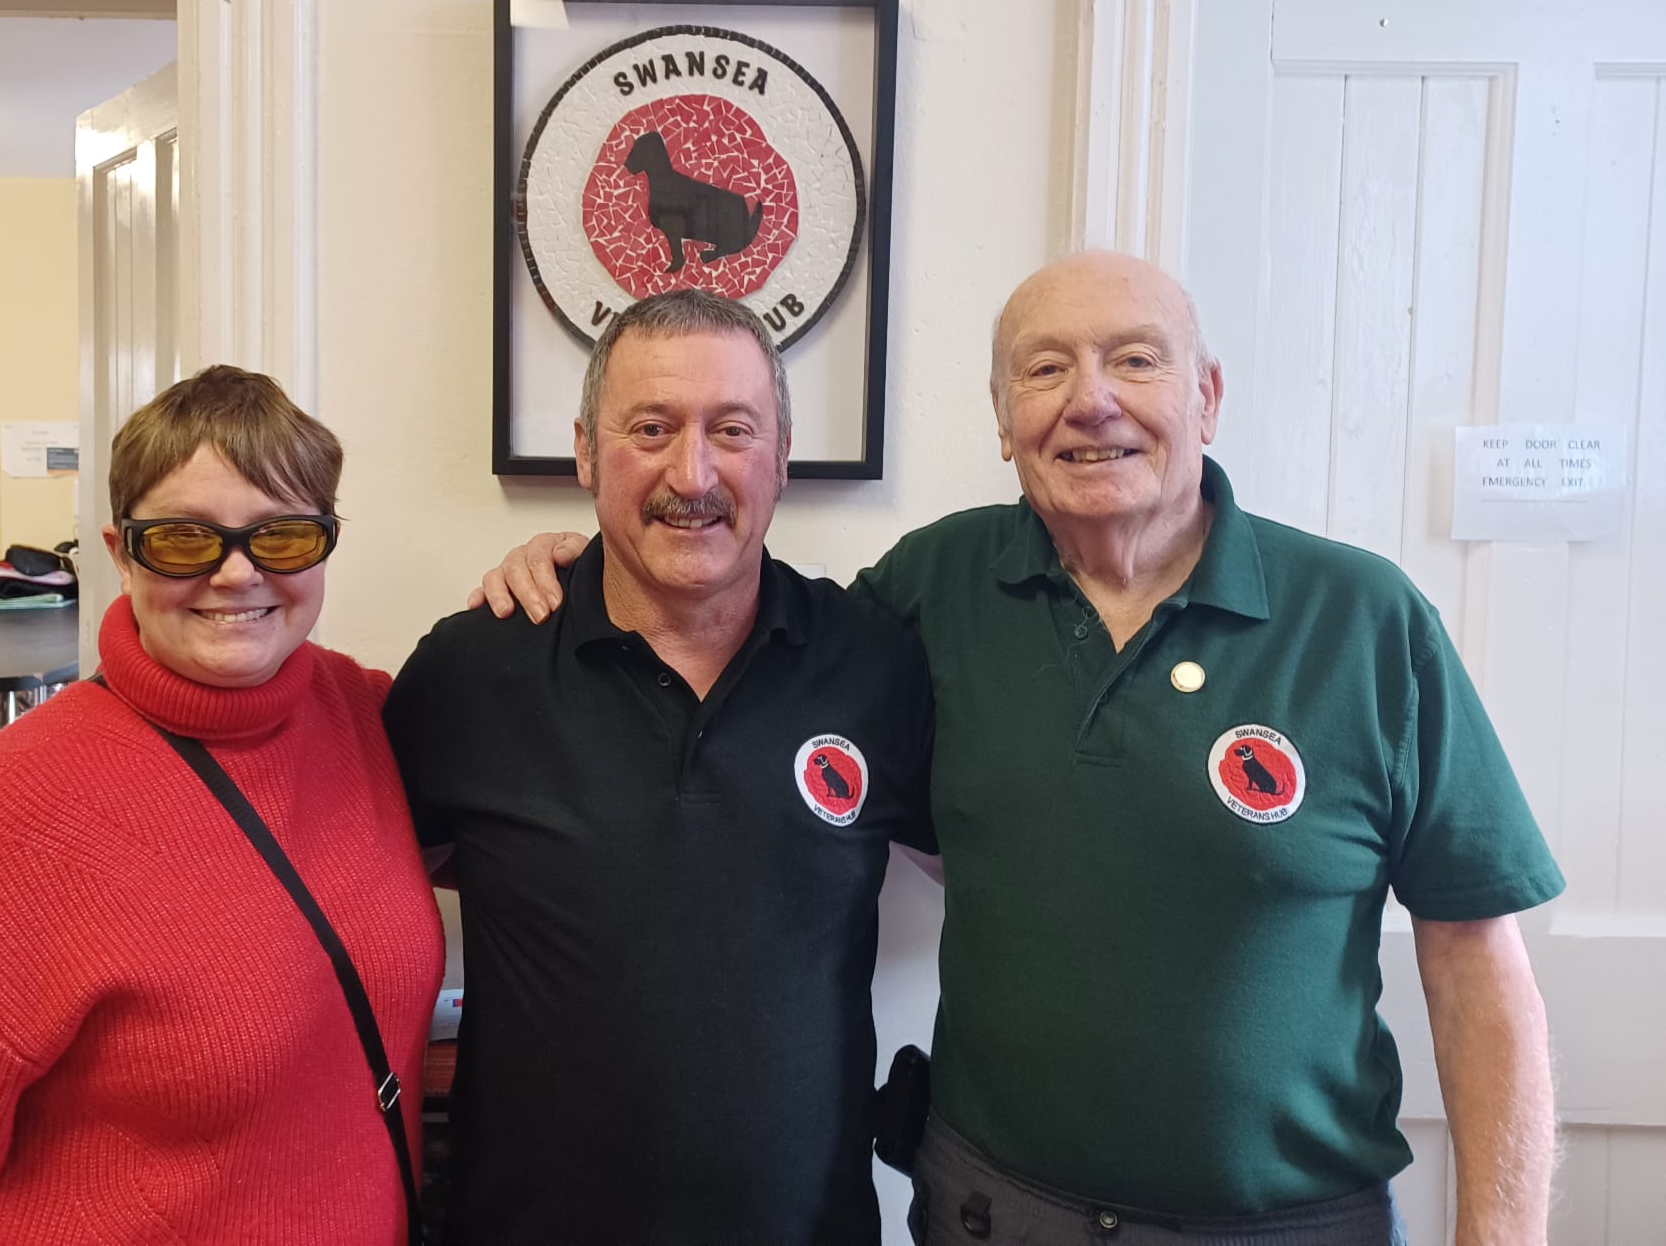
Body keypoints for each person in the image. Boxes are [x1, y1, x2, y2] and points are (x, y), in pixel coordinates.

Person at [474, 252, 1564, 1246]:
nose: (1089, 401)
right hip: (988, 1213)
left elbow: (1473, 956)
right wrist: (584, 571)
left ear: (1206, 398)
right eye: (1043, 371)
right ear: (1001, 423)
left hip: (1286, 1224)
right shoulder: (928, 593)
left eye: (1133, 360)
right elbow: (742, 658)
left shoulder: (1360, 620)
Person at [0, 366, 444, 1245]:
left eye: (280, 538)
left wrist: (571, 574)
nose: (236, 575)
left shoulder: (371, 720)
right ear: (120, 550)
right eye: (181, 541)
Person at [384, 289, 936, 1245]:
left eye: (733, 429)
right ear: (588, 454)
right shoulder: (475, 668)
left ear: (782, 457)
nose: (695, 471)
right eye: (652, 427)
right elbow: (374, 886)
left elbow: (992, 870)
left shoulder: (875, 664)